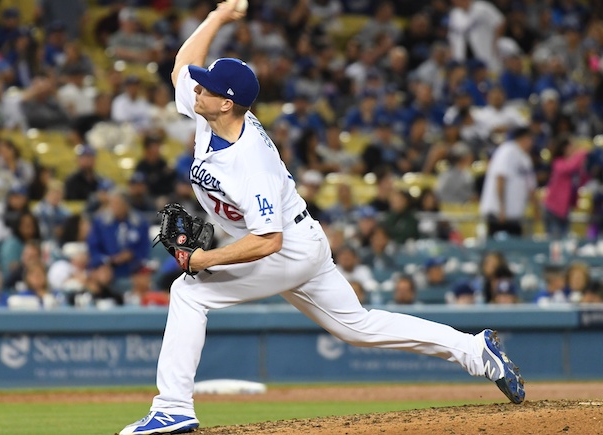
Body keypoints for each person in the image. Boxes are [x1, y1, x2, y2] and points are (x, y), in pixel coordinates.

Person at [118, 4, 525, 434]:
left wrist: (204, 260)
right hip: (301, 240)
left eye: (206, 88)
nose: (195, 90)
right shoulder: (213, 115)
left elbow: (267, 241)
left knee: (189, 293)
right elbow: (182, 66)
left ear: (226, 102)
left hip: (285, 246)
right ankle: (475, 350)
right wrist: (219, 16)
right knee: (358, 327)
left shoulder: (249, 162)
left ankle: (174, 407)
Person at [479, 127, 538, 237]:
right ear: (524, 138)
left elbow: (531, 187)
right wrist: (501, 208)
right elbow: (500, 177)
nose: (532, 142)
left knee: (515, 251)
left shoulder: (525, 158)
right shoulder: (508, 150)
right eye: (530, 139)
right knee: (495, 250)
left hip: (514, 217)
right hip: (498, 214)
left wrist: (536, 208)